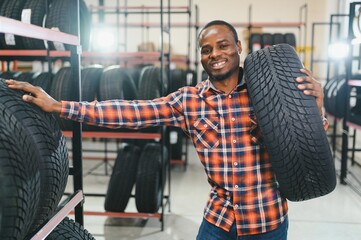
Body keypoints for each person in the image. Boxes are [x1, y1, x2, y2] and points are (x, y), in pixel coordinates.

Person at [6, 20, 326, 240]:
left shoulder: (267, 93)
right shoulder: (189, 101)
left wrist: (317, 104)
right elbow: (131, 112)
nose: (215, 54)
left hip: (266, 219)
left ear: (238, 46)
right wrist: (61, 106)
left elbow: (308, 141)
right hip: (219, 220)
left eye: (223, 45)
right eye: (206, 49)